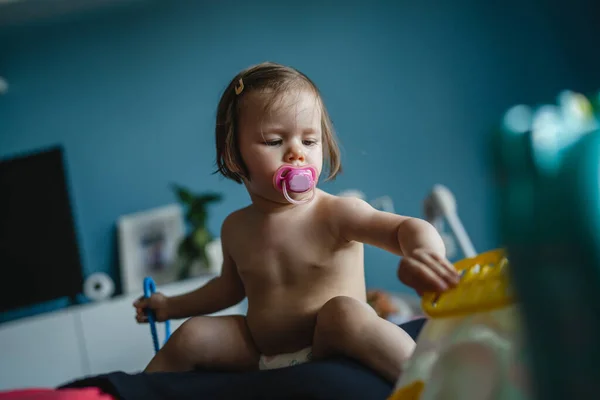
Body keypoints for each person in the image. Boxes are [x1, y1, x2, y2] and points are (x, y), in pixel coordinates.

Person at [133, 61, 460, 383]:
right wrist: (170, 307)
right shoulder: (235, 227)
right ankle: (134, 391)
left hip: (327, 343)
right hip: (260, 352)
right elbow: (227, 289)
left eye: (309, 140)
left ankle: (430, 383)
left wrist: (424, 254)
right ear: (233, 155)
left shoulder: (335, 212)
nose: (296, 153)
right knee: (193, 334)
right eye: (275, 141)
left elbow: (406, 228)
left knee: (343, 313)